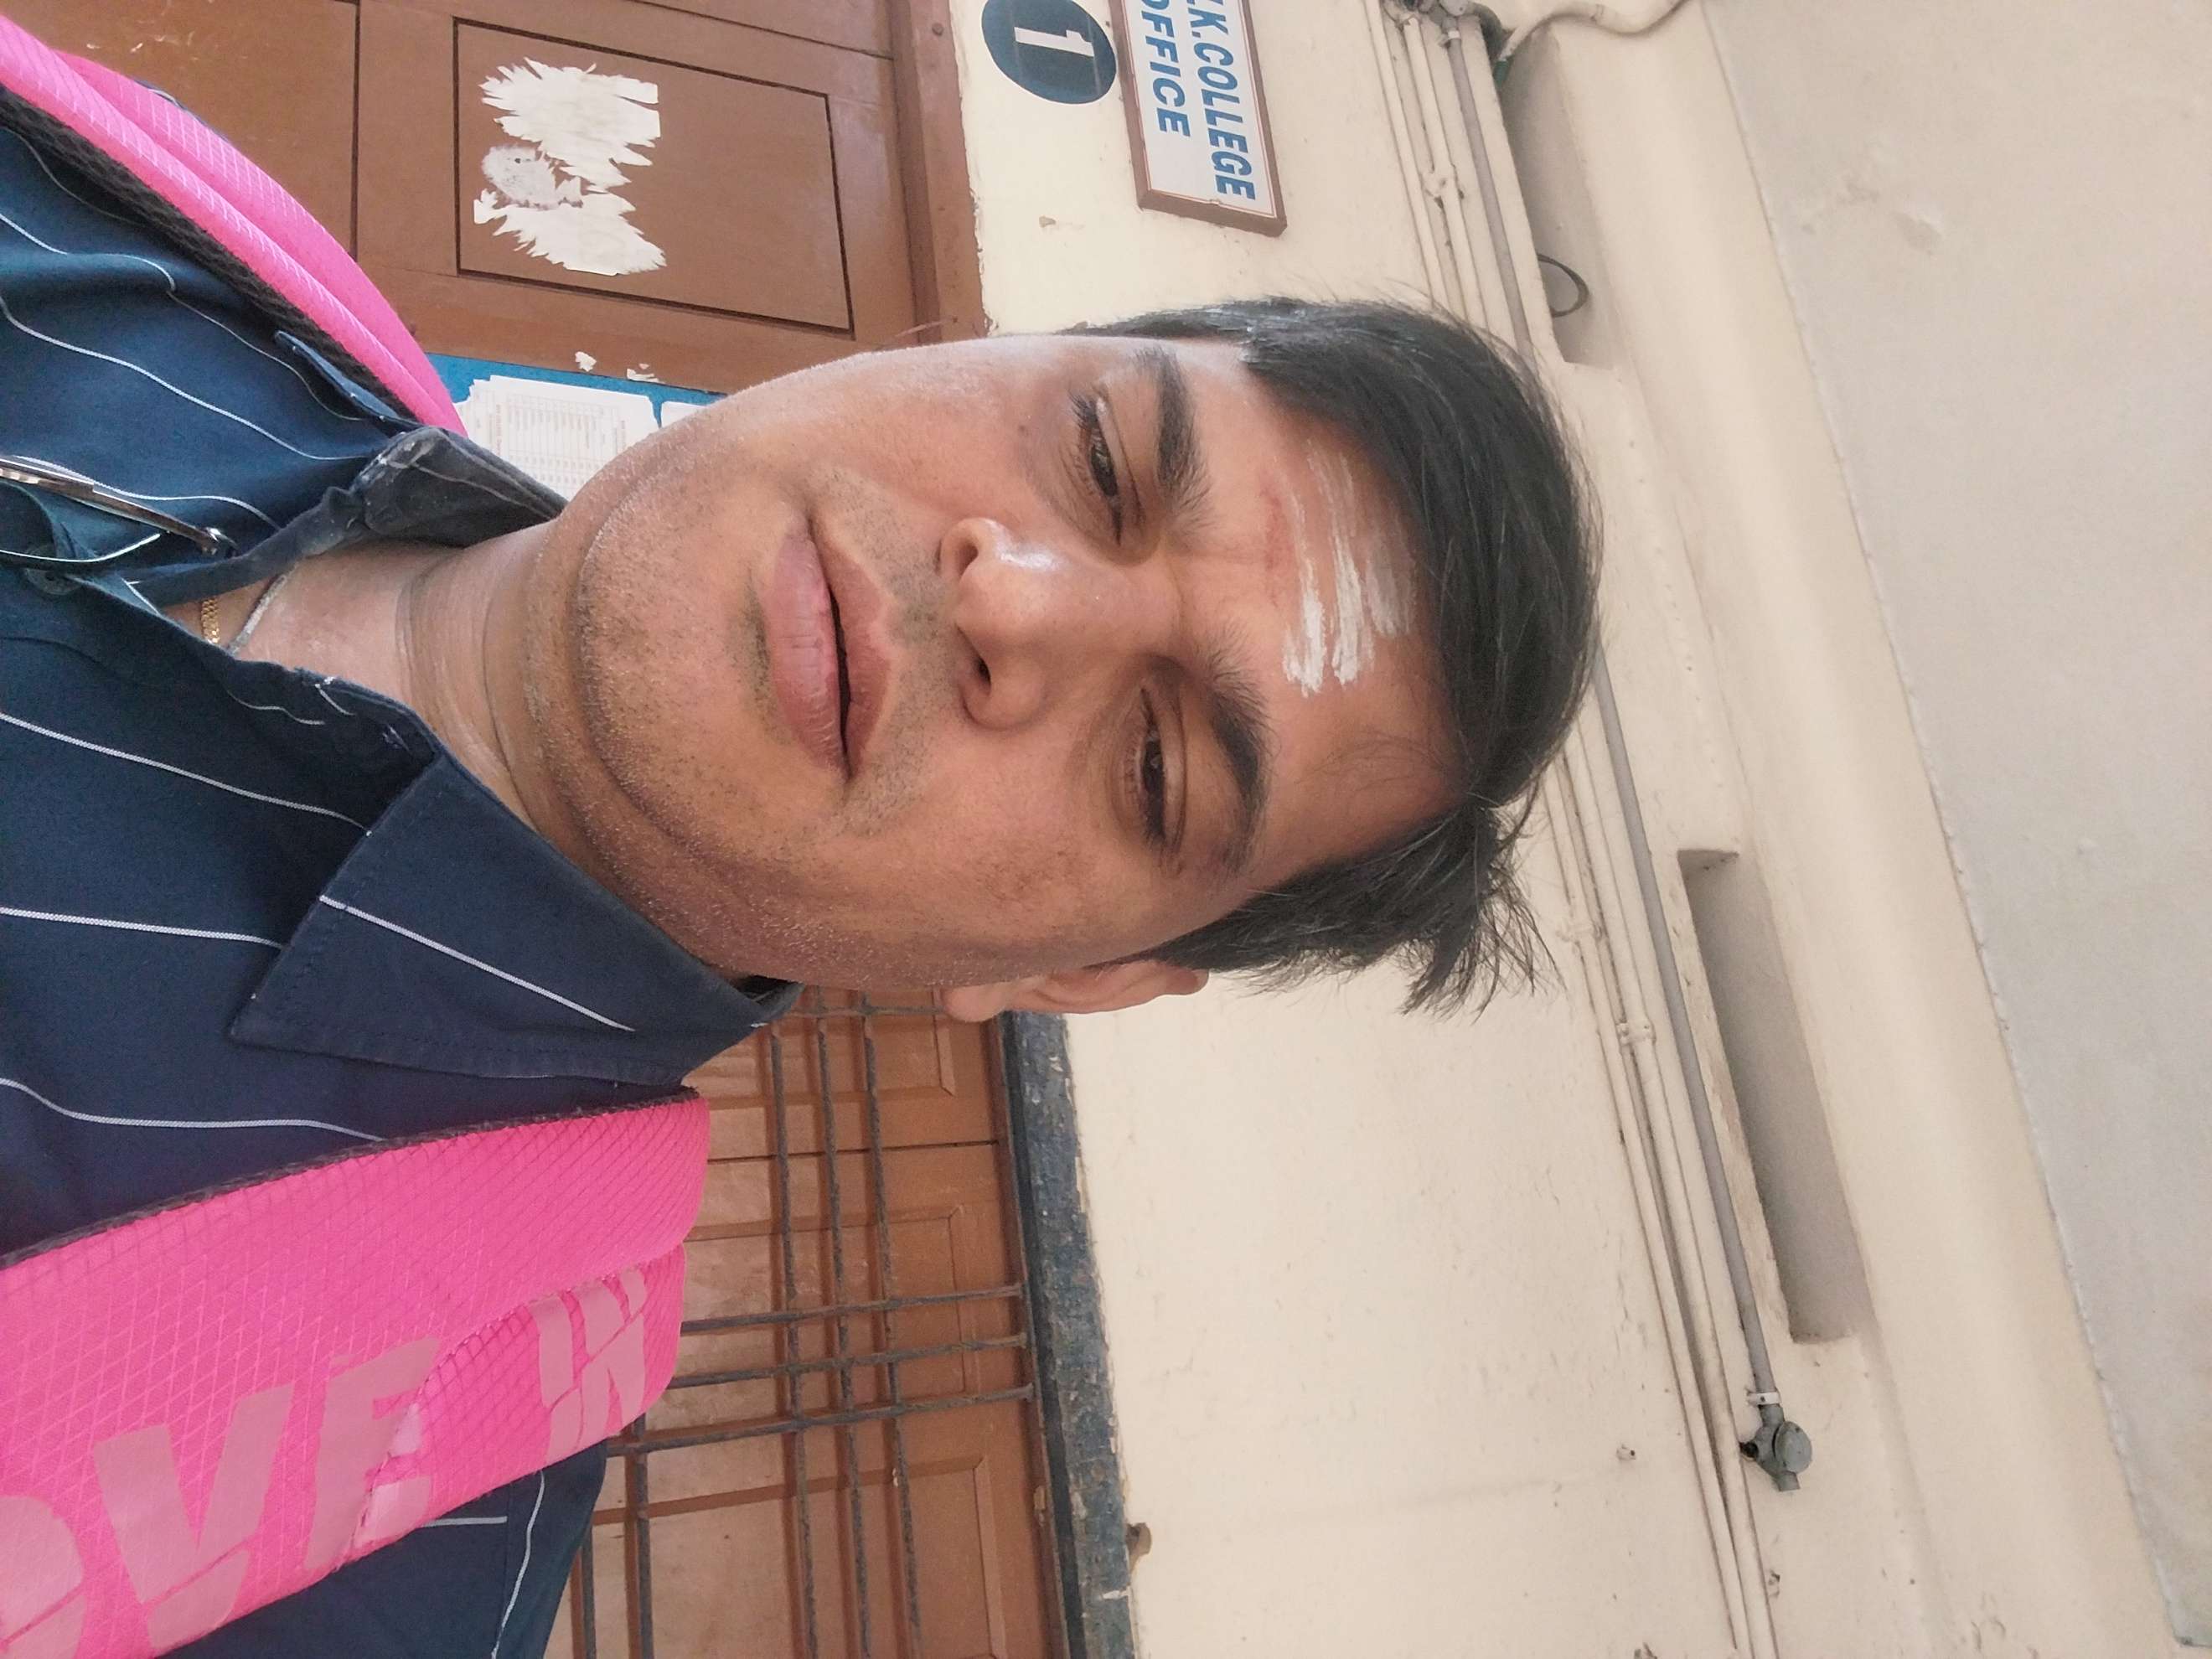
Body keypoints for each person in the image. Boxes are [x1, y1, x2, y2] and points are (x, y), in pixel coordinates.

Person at [0, 22, 1595, 1658]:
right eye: (1100, 458)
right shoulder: (136, 209)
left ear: (1090, 974)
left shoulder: (364, 1544)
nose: (1012, 597)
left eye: (1153, 763)